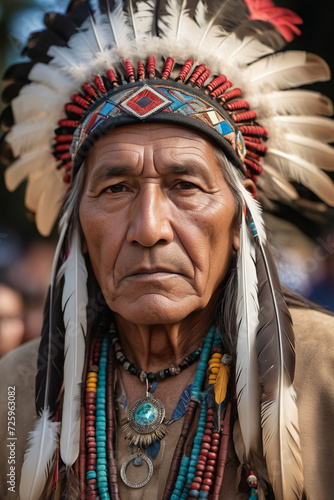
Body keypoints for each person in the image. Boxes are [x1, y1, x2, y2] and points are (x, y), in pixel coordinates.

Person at [1, 1, 334, 499]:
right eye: (116, 189)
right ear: (78, 230)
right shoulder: (15, 391)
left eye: (184, 185)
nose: (149, 228)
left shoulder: (322, 371)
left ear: (241, 222)